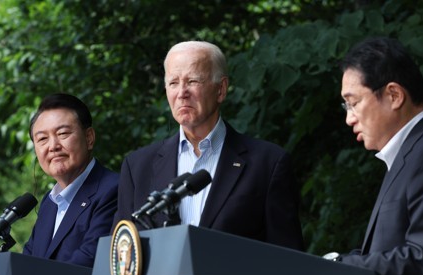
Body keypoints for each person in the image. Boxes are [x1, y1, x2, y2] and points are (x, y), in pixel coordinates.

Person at [114, 40, 304, 251]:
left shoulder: (268, 164)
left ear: (221, 89)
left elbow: (288, 260)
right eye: (173, 83)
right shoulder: (137, 167)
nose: (182, 92)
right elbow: (121, 256)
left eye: (193, 81)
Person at [330, 37, 423, 275]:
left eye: (353, 103)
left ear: (393, 95)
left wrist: (340, 266)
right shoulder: (407, 154)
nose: (350, 119)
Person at [23, 93, 119, 268]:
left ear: (89, 138)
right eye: (43, 139)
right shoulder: (48, 204)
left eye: (63, 133)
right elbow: (28, 263)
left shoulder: (113, 190)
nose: (53, 146)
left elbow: (90, 260)